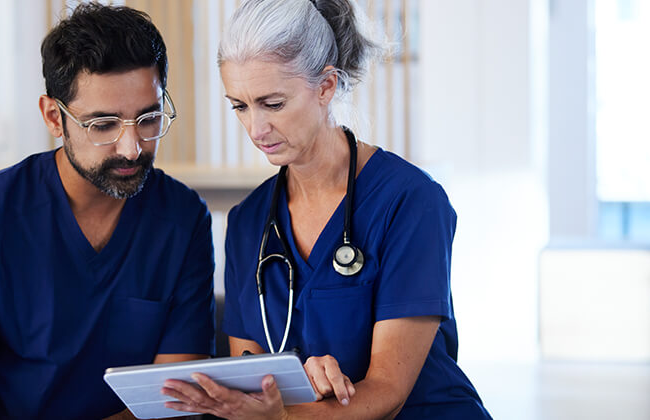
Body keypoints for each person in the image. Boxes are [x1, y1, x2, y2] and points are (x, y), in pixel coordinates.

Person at [161, 0, 491, 418]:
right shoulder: (248, 222)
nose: (256, 129)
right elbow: (251, 381)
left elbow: (388, 392)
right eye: (240, 106)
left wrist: (281, 415)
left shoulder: (410, 202)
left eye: (273, 104)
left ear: (326, 86)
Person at [0, 3, 215, 419]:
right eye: (103, 124)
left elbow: (174, 401)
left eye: (148, 117)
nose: (132, 147)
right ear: (54, 117)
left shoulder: (183, 220)